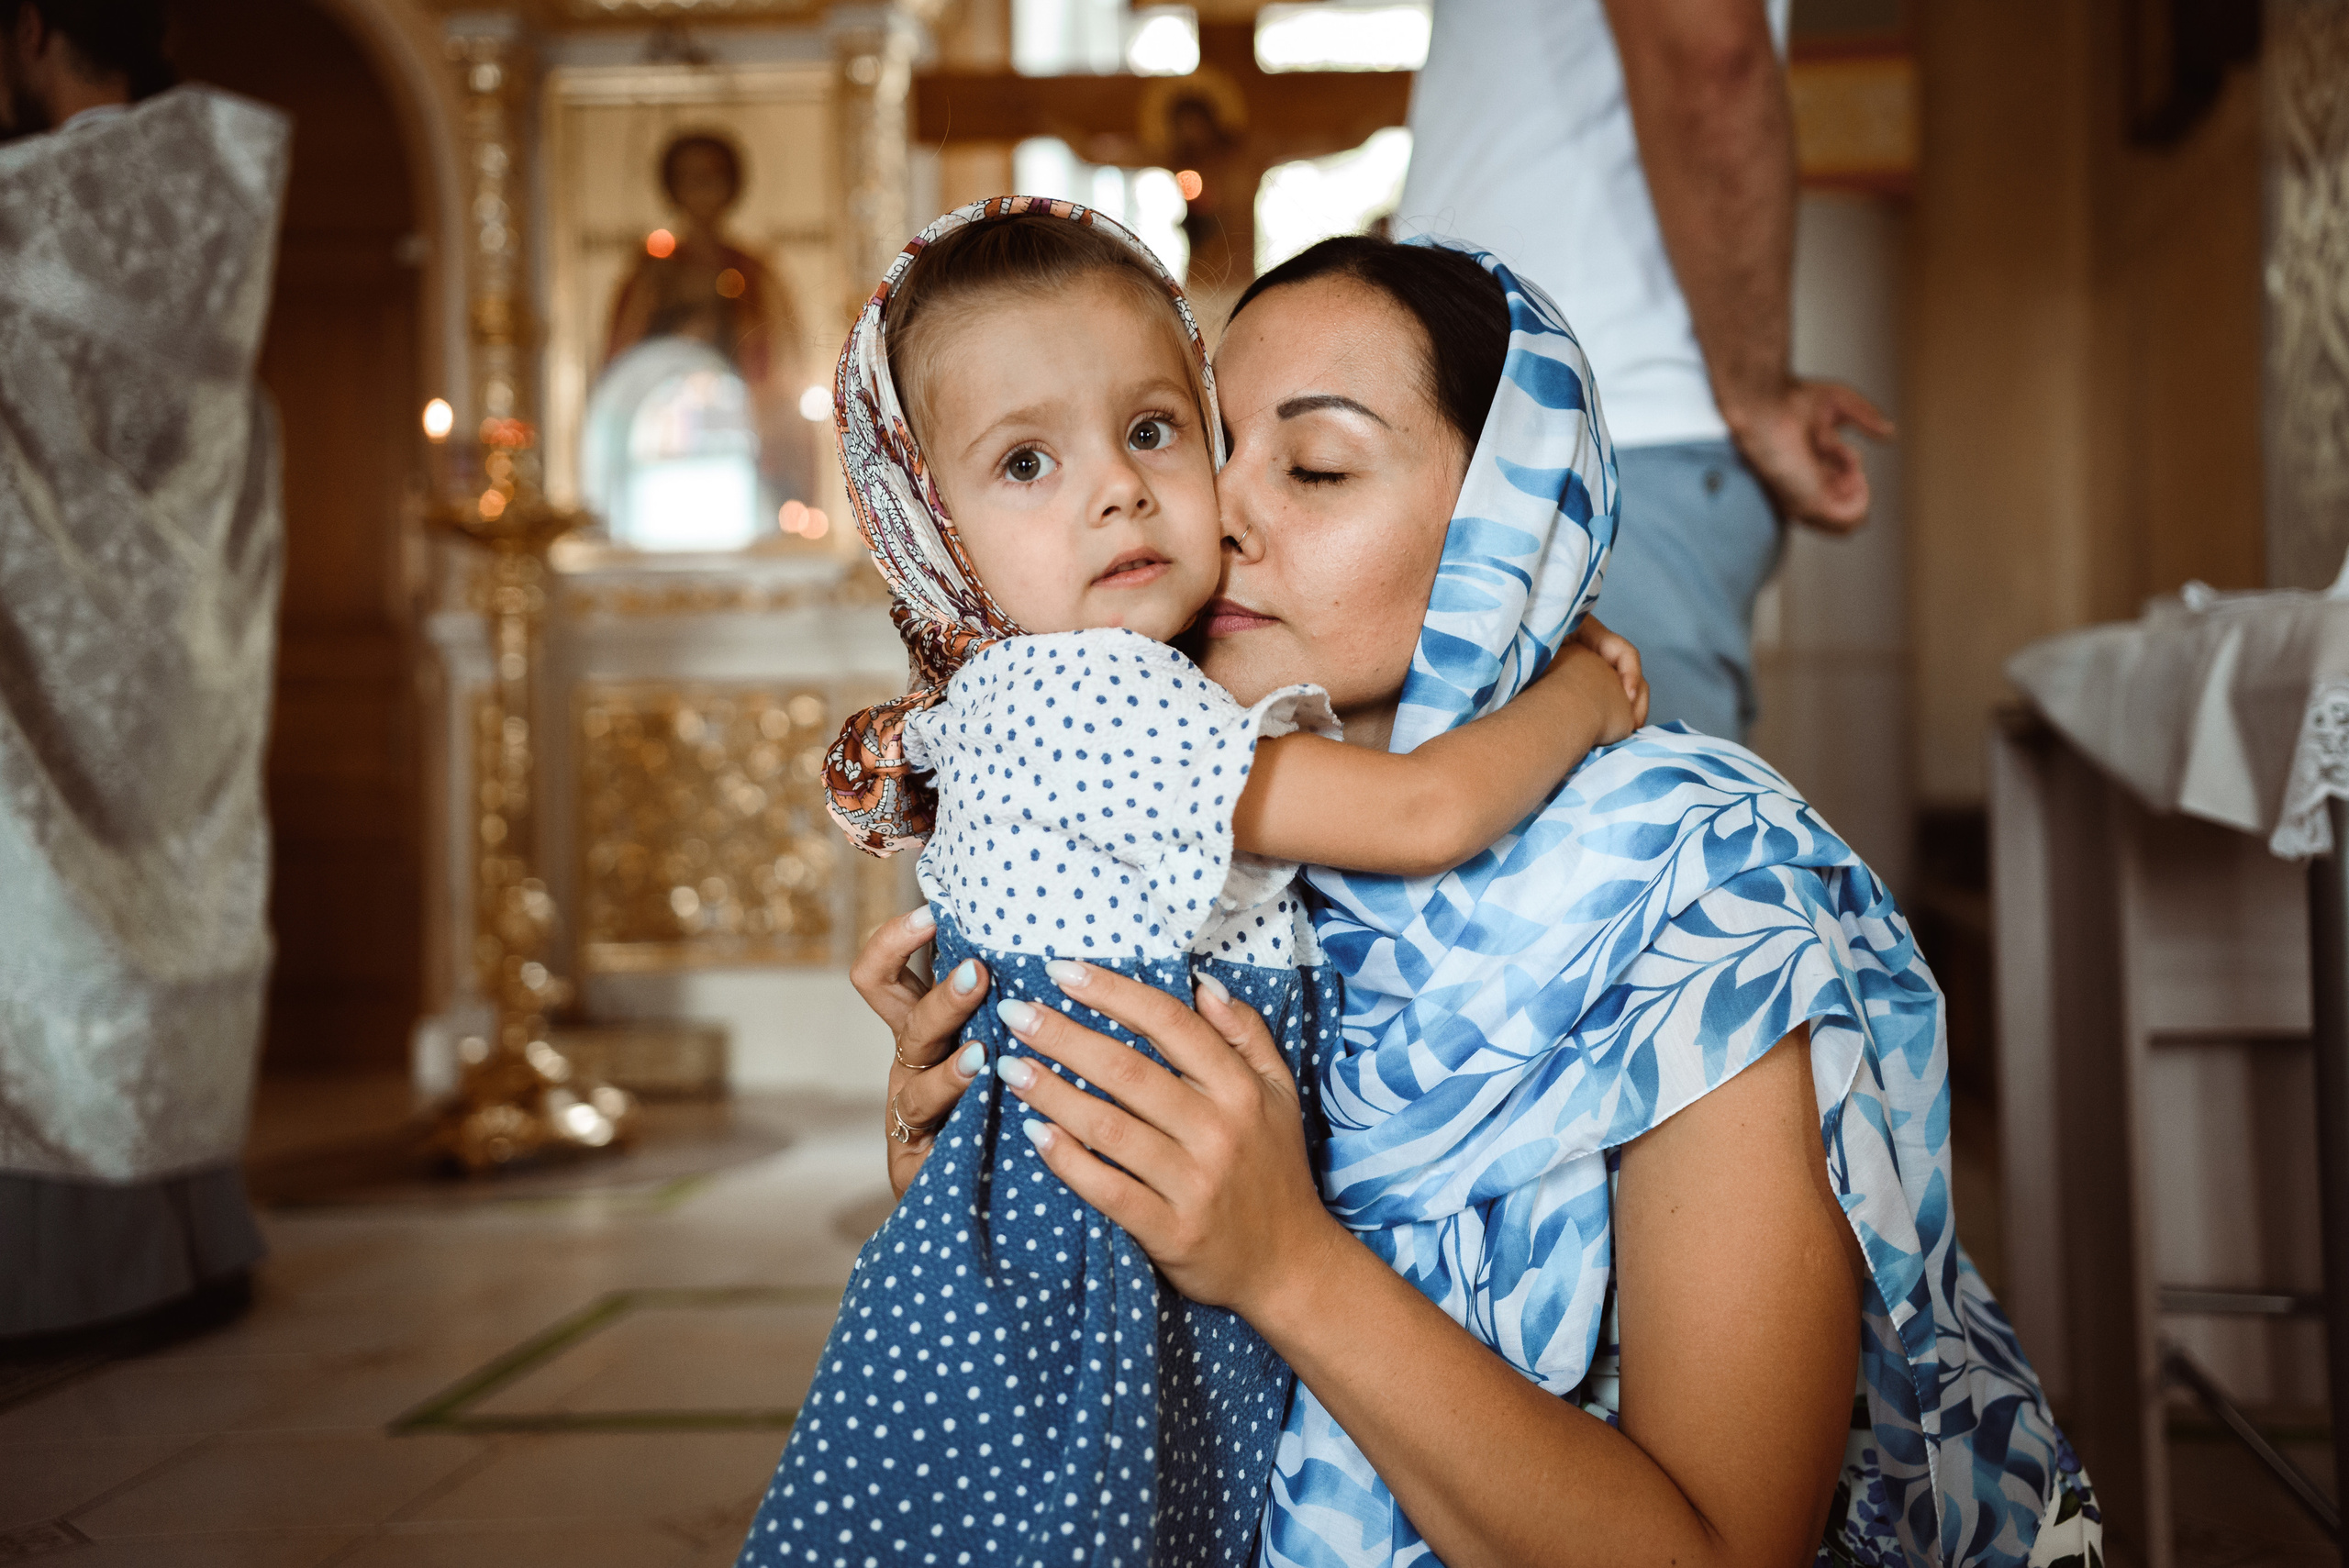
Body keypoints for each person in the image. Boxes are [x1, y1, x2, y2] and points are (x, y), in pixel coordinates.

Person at [860, 236, 2098, 1567]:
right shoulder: (1218, 874)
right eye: (1208, 446)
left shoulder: (1692, 894)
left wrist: (1285, 1264)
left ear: (1506, 527)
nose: (1208, 514)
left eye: (1316, 467)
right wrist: (1002, 1163)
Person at [739, 199, 1645, 1566]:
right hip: (1100, 1270)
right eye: (1027, 461)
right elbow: (1422, 810)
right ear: (932, 528)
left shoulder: (1095, 695)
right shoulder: (1085, 696)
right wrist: (1584, 690)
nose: (1120, 488)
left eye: (1157, 432)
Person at [0, 0, 287, 1340]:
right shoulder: (219, 197)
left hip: (49, 652)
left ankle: (78, 1270)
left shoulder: (30, 205)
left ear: (36, 31)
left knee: (49, 926)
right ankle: (190, 1236)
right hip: (186, 644)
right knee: (174, 909)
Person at [1394, 0, 1896, 742]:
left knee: (1628, 839)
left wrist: (1760, 394)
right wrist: (1760, 395)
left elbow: (1709, 51)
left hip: (1586, 428)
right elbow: (1710, 51)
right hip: (1559, 427)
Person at [605, 130, 813, 506]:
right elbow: (622, 363)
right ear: (672, 188)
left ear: (731, 185)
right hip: (664, 437)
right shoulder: (649, 276)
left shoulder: (754, 273)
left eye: (712, 176)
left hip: (742, 433)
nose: (701, 188)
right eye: (689, 177)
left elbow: (783, 362)